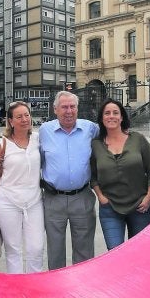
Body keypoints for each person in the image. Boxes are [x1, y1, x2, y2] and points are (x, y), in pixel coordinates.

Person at [0, 101, 44, 273]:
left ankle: (33, 287)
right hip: (7, 202)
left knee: (36, 248)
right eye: (19, 116)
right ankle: (18, 292)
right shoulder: (1, 144)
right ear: (11, 121)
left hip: (34, 201)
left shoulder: (37, 139)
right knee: (13, 249)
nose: (24, 119)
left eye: (27, 115)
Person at [39, 91, 99, 270]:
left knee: (84, 251)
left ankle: (80, 292)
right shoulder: (44, 131)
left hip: (82, 197)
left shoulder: (90, 128)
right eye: (64, 107)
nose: (69, 111)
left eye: (72, 107)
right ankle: (57, 293)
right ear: (55, 109)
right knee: (55, 250)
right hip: (53, 199)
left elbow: (111, 134)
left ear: (77, 109)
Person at [90, 99, 150, 250]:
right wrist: (100, 196)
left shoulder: (138, 139)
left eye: (115, 113)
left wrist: (148, 197)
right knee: (114, 253)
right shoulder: (96, 145)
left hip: (140, 206)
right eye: (107, 113)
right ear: (102, 118)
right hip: (110, 208)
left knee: (138, 252)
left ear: (121, 117)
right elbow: (93, 175)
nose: (111, 116)